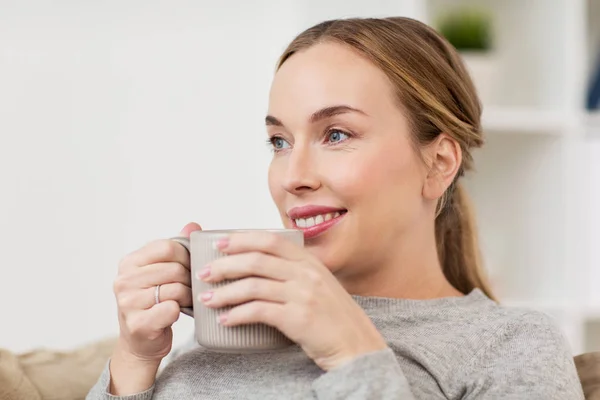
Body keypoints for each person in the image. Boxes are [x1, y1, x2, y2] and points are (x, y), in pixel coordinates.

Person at [87, 17, 585, 399]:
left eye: (337, 134)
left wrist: (352, 352)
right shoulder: (236, 325)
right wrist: (133, 361)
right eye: (279, 141)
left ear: (438, 163)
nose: (293, 175)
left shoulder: (511, 345)